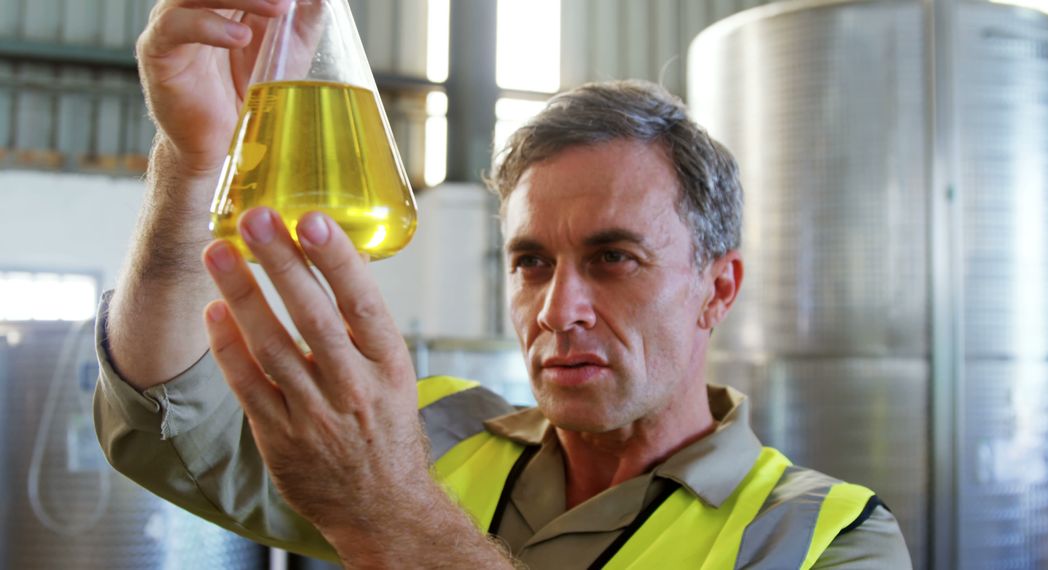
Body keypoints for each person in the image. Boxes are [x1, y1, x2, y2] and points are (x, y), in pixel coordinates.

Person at [94, 1, 912, 567]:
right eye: (531, 262)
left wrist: (386, 514)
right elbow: (172, 424)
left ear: (718, 287)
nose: (559, 311)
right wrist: (194, 160)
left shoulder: (821, 538)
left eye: (612, 259)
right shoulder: (435, 436)